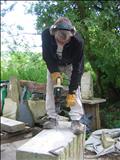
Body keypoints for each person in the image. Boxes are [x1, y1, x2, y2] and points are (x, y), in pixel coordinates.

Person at [41, 17, 85, 135]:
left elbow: (78, 68)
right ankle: (52, 118)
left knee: (76, 90)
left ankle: (76, 120)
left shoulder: (78, 41)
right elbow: (47, 56)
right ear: (53, 32)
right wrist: (55, 73)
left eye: (66, 42)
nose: (62, 43)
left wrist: (72, 91)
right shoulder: (46, 34)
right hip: (54, 63)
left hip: (71, 64)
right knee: (50, 87)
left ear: (71, 35)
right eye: (59, 40)